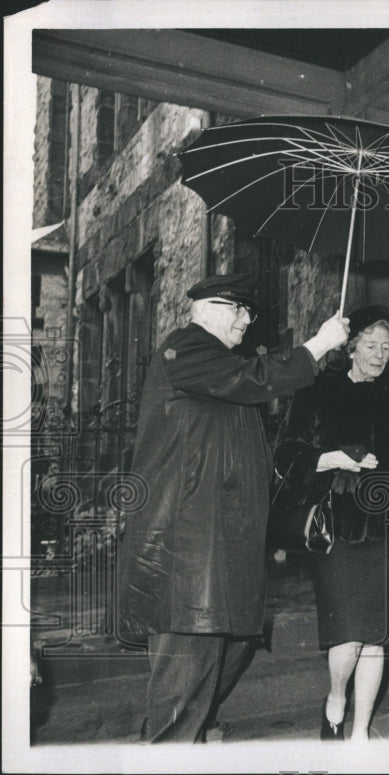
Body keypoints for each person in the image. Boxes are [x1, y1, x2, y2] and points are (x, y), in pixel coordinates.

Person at [117, 272, 351, 743]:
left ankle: (185, 725)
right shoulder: (186, 349)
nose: (246, 319)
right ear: (202, 308)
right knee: (189, 663)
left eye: (250, 311)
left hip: (222, 546)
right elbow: (257, 379)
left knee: (238, 643)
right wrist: (319, 344)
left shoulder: (220, 368)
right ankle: (170, 739)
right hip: (189, 552)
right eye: (235, 308)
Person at [273, 306, 389, 742]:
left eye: (387, 347)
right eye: (371, 345)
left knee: (376, 636)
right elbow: (286, 453)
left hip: (387, 525)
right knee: (347, 633)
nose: (380, 354)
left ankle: (360, 731)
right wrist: (331, 459)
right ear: (352, 345)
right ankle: (336, 698)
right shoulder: (318, 390)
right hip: (339, 527)